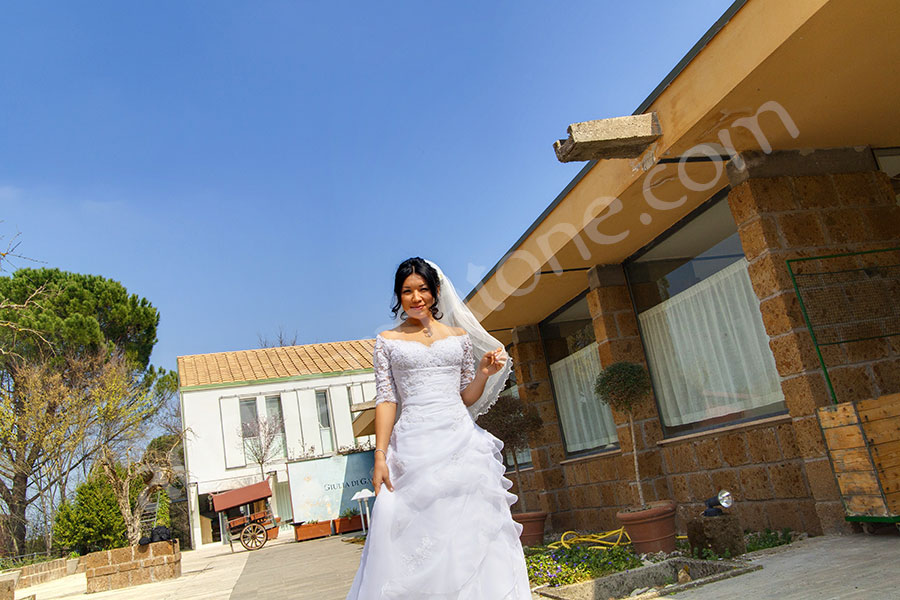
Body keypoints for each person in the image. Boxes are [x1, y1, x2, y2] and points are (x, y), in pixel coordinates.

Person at [346, 257, 532, 600]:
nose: (416, 297)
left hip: (460, 442)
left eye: (422, 289)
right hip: (412, 447)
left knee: (469, 531)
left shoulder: (459, 338)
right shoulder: (387, 341)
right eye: (407, 291)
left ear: (435, 292)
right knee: (410, 530)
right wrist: (380, 455)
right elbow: (386, 400)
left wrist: (483, 373)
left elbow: (466, 398)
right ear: (398, 296)